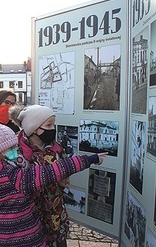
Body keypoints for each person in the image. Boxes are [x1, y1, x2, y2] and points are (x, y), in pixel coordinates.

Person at [0, 121, 106, 247]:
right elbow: (50, 172)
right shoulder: (11, 175)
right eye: (12, 147)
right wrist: (89, 159)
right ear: (0, 151)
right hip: (25, 239)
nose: (16, 150)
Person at [10, 104, 105, 247]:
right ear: (33, 128)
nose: (53, 129)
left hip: (55, 211)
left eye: (53, 124)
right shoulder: (17, 153)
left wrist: (62, 180)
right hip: (33, 216)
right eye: (48, 125)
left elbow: (64, 167)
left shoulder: (55, 148)